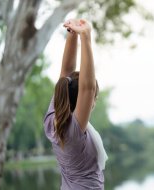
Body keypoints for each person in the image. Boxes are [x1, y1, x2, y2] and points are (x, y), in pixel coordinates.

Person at [43, 18, 107, 190]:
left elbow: (66, 72)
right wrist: (85, 36)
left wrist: (72, 35)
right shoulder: (73, 132)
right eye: (95, 96)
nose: (94, 100)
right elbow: (87, 88)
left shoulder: (53, 120)